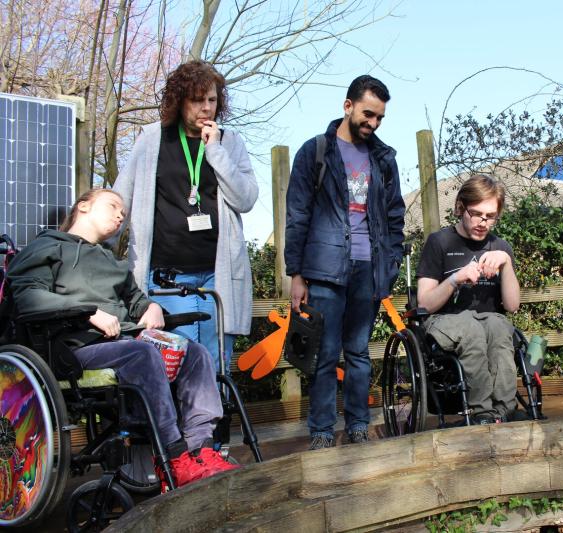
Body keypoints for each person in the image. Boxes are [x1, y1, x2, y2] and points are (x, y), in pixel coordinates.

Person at [7, 189, 239, 489]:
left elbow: (135, 300)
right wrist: (88, 312)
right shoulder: (46, 248)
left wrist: (152, 307)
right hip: (72, 347)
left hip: (124, 342)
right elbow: (28, 297)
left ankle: (201, 450)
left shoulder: (112, 262)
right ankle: (173, 456)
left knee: (193, 353)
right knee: (141, 354)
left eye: (124, 213)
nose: (120, 215)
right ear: (84, 206)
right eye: (113, 206)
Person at [114, 60, 258, 375]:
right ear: (179, 101)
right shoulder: (153, 139)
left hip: (216, 277)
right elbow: (120, 199)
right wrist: (91, 250)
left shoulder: (230, 142)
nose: (206, 108)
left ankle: (212, 425)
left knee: (214, 364)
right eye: (197, 99)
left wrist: (216, 150)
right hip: (167, 277)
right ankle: (176, 425)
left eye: (212, 100)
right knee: (174, 363)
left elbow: (246, 198)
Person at [285, 75, 405, 449]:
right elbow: (297, 214)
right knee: (323, 354)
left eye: (381, 117)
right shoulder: (315, 151)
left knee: (358, 353)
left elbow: (395, 215)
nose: (373, 123)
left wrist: (391, 263)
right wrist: (297, 274)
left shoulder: (384, 159)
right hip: (324, 270)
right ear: (348, 106)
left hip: (368, 270)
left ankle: (357, 425)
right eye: (368, 114)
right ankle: (321, 432)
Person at [416, 174, 523, 424]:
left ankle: (504, 410)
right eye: (476, 213)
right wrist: (455, 279)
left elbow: (512, 306)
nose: (483, 222)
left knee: (498, 328)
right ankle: (481, 412)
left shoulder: (501, 247)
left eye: (490, 216)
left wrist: (506, 264)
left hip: (490, 318)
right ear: (460, 207)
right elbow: (424, 304)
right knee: (471, 329)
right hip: (444, 319)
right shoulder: (439, 242)